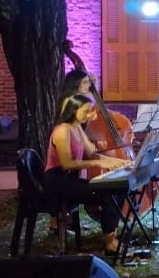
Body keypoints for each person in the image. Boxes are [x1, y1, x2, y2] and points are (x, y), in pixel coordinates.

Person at [44, 94, 133, 254]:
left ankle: (112, 233)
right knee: (107, 194)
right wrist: (99, 163)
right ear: (74, 110)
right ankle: (110, 242)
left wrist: (116, 161)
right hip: (58, 181)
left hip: (71, 179)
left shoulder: (77, 128)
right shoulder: (62, 130)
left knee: (119, 188)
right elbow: (67, 163)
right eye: (86, 111)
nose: (90, 114)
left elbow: (91, 154)